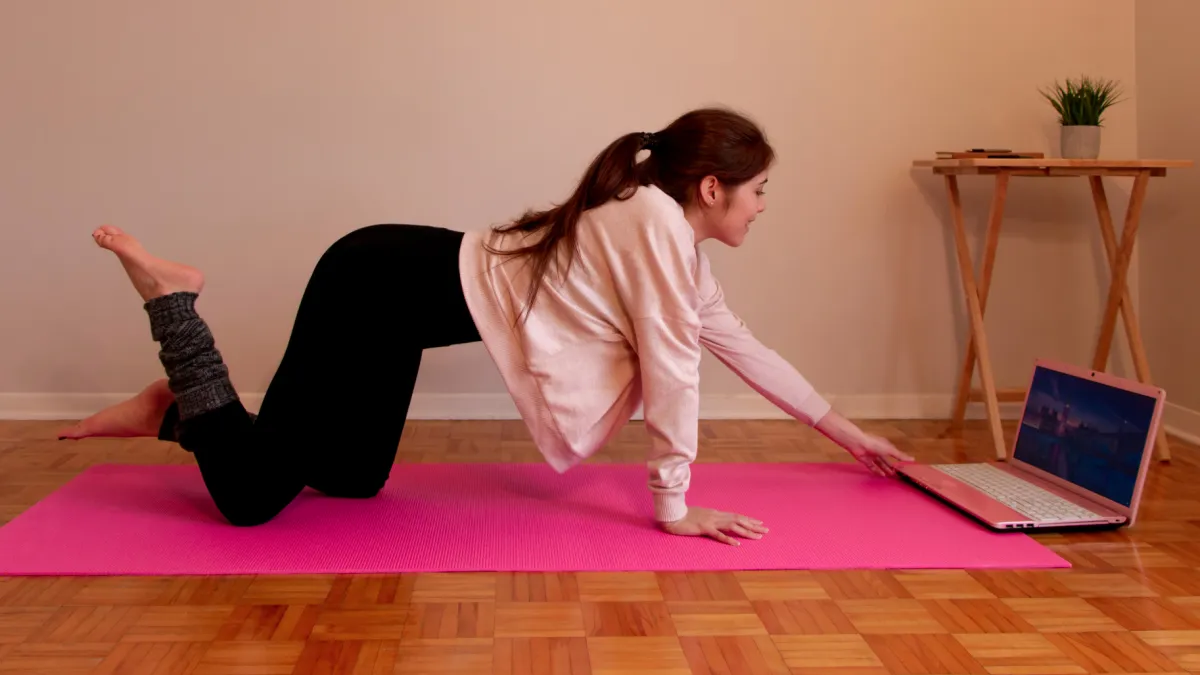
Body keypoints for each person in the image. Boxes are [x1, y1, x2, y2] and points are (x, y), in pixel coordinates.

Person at [58, 107, 913, 546]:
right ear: (714, 187)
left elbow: (738, 346)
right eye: (759, 189)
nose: (765, 207)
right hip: (371, 281)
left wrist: (846, 432)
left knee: (353, 480)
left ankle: (176, 412)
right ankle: (172, 302)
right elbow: (675, 366)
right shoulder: (652, 222)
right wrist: (674, 505)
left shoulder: (677, 253)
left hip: (395, 308)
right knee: (247, 503)